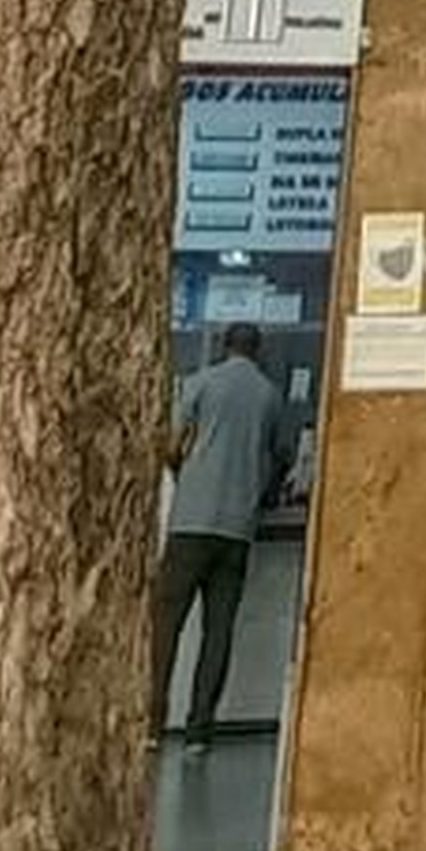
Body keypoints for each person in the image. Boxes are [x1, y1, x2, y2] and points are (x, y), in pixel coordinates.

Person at [154, 320, 292, 755]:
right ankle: (200, 731)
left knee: (166, 625)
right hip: (237, 529)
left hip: (189, 522)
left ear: (222, 346)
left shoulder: (199, 383)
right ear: (259, 352)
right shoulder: (271, 396)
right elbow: (280, 455)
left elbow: (172, 445)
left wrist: (185, 474)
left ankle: (152, 723)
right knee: (219, 631)